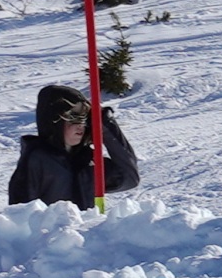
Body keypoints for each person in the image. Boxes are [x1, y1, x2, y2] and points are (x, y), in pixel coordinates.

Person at [7, 84, 140, 210]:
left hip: (86, 226)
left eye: (84, 119)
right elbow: (20, 214)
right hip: (51, 227)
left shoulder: (87, 161)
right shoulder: (36, 160)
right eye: (74, 118)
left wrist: (105, 123)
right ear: (53, 121)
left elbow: (129, 178)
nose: (80, 125)